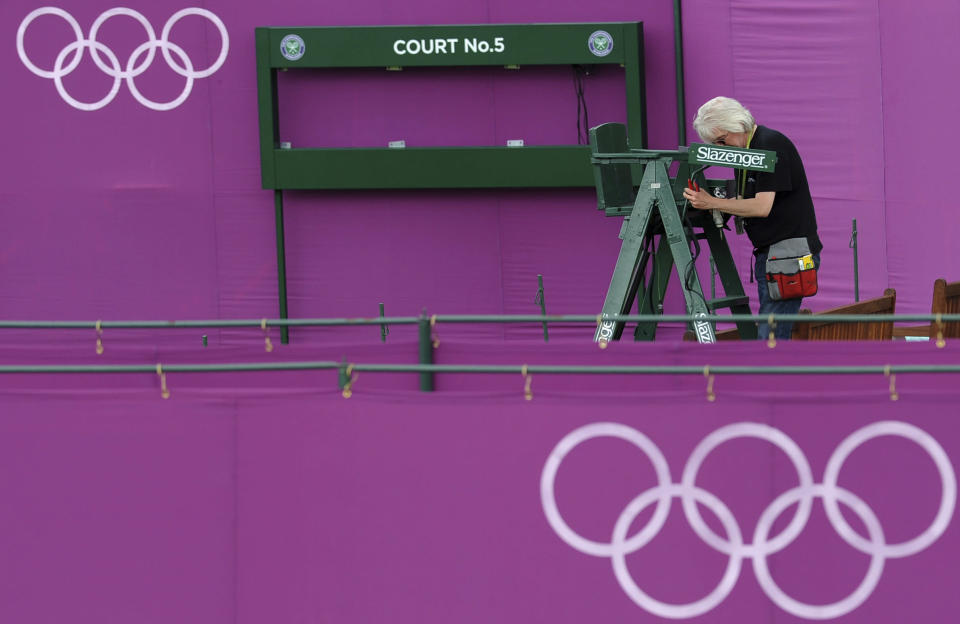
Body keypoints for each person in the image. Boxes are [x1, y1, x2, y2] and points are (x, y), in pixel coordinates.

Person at [681, 96, 822, 340]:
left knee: (771, 336)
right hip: (775, 254)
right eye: (717, 145)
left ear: (736, 125)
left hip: (788, 254)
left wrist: (712, 202)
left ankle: (767, 378)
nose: (722, 148)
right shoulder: (748, 149)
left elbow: (761, 206)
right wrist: (713, 203)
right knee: (772, 333)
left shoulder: (769, 145)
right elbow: (747, 201)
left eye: (722, 141)